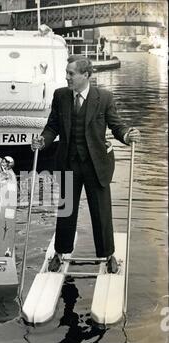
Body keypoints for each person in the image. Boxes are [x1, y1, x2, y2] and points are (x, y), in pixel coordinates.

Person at [31, 55, 140, 273]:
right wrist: (43, 140)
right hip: (68, 162)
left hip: (96, 164)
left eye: (71, 73)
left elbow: (116, 126)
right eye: (67, 73)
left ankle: (108, 254)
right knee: (66, 210)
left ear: (86, 75)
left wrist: (127, 135)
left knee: (101, 212)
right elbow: (52, 126)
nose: (67, 77)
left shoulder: (104, 98)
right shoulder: (60, 96)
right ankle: (60, 252)